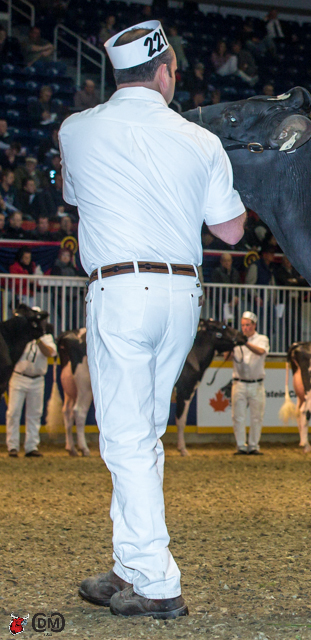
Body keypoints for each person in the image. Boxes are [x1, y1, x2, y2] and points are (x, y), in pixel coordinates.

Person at [59, 19, 246, 619]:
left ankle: (158, 583)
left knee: (126, 437)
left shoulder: (76, 129)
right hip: (182, 294)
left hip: (121, 290)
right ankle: (130, 566)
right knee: (141, 434)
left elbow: (73, 198)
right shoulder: (200, 139)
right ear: (165, 73)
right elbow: (232, 231)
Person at [6, 311, 56, 457]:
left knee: (35, 414)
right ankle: (12, 446)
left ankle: (31, 446)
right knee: (13, 412)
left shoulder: (46, 337)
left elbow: (50, 353)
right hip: (19, 377)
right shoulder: (20, 337)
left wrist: (38, 339)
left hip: (37, 379)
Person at [231, 310, 269, 455]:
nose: (245, 328)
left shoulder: (262, 339)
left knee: (256, 417)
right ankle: (241, 445)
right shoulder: (237, 341)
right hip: (239, 383)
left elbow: (261, 351)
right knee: (238, 416)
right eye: (243, 325)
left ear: (254, 325)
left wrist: (245, 343)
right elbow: (227, 356)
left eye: (247, 325)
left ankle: (253, 445)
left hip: (256, 384)